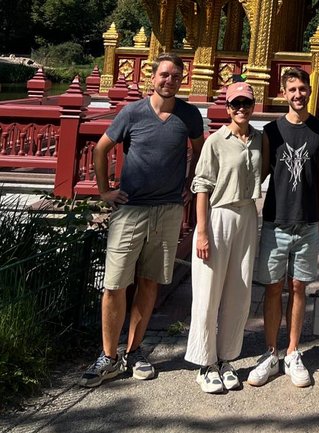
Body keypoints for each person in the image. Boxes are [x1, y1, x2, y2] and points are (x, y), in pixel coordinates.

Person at [80, 53, 204, 387]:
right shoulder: (132, 113)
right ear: (153, 78)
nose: (170, 81)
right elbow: (101, 149)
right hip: (131, 208)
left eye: (176, 76)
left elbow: (199, 148)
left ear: (183, 79)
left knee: (150, 281)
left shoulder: (189, 116)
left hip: (167, 210)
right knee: (114, 284)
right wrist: (105, 191)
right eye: (164, 75)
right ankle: (108, 355)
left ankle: (134, 350)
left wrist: (190, 184)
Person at [247, 67, 319, 388]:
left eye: (303, 89)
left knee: (299, 288)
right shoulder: (271, 131)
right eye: (292, 89)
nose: (298, 94)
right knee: (272, 287)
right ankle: (270, 352)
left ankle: (293, 351)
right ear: (283, 93)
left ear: (310, 91)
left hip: (307, 221)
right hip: (276, 220)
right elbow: (261, 173)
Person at [183, 82, 262, 393]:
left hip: (247, 213)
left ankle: (227, 357)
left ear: (253, 106)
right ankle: (205, 362)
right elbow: (201, 186)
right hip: (218, 215)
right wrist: (202, 231)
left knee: (239, 291)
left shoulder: (259, 139)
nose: (240, 108)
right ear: (228, 108)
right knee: (207, 292)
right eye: (235, 104)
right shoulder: (216, 141)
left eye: (246, 103)